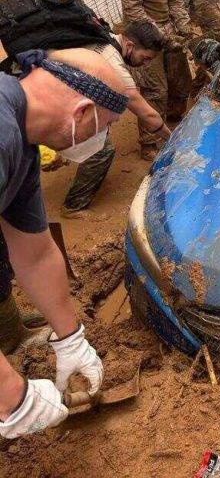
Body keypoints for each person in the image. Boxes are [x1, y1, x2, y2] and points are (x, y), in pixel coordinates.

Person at [0, 48, 129, 438]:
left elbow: (35, 253)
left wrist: (70, 339)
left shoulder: (21, 140)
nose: (99, 140)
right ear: (83, 112)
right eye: (103, 128)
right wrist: (11, 394)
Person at [61, 22, 170, 216]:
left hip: (57, 89)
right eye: (145, 58)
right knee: (102, 150)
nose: (146, 64)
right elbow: (147, 114)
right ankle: (73, 206)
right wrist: (172, 139)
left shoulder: (107, 38)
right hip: (51, 101)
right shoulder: (113, 64)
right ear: (129, 45)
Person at [116, 0, 194, 161]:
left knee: (181, 80)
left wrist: (186, 31)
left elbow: (176, 0)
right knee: (154, 91)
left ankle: (170, 122)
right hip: (144, 37)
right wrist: (163, 37)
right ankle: (149, 143)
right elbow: (133, 10)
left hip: (167, 30)